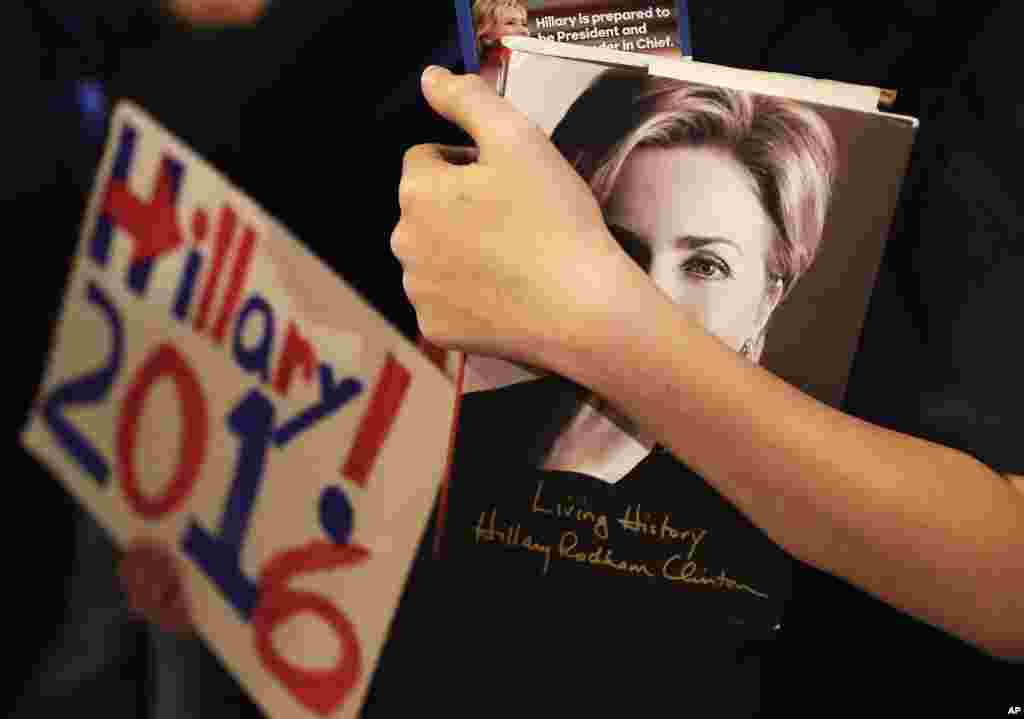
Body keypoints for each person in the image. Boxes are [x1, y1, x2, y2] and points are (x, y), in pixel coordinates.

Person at [392, 60, 1024, 706]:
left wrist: (608, 332)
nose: (657, 295)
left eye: (707, 264)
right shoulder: (491, 430)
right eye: (620, 251)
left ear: (771, 295)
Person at [472, 0, 529, 89]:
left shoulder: (530, 73)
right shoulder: (471, 78)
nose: (524, 31)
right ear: (486, 36)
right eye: (511, 23)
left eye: (524, 24)